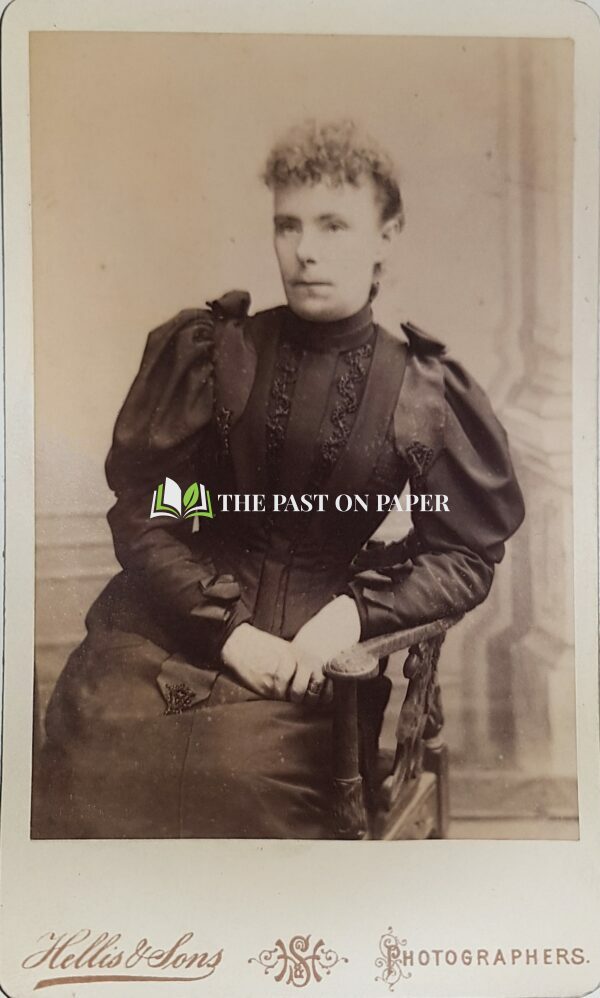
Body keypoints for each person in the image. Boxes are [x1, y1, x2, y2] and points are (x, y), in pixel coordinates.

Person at [34, 120, 525, 840]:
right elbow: (153, 511)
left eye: (334, 224)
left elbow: (463, 553)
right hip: (170, 634)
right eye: (288, 224)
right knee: (93, 748)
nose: (306, 250)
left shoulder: (421, 389)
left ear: (387, 234)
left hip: (310, 666)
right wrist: (231, 636)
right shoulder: (217, 354)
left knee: (237, 783)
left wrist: (349, 618)